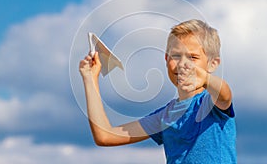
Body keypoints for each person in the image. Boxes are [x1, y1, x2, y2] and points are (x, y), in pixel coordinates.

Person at [79, 19, 236, 164]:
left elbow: (225, 95)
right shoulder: (165, 116)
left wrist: (205, 78)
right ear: (166, 59)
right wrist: (90, 79)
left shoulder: (210, 104)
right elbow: (105, 136)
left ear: (213, 63)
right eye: (176, 56)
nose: (183, 64)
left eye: (193, 57)